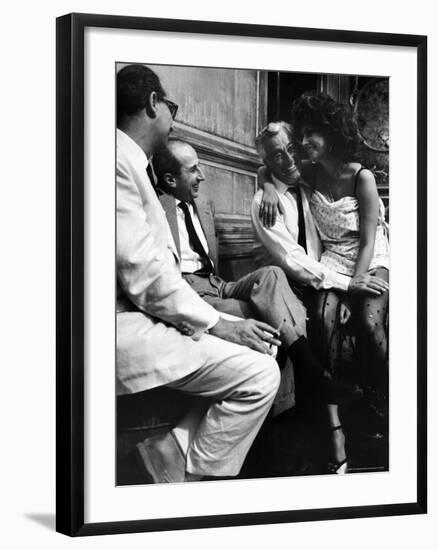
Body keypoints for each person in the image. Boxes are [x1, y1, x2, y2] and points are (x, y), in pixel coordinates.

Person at [153, 138, 362, 474]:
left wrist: (267, 181)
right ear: (169, 180)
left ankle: (307, 371)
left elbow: (279, 163)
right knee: (263, 321)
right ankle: (301, 394)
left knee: (271, 275)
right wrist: (265, 186)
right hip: (189, 292)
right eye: (193, 170)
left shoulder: (201, 204)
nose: (202, 176)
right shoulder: (154, 208)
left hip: (218, 284)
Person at [116, 64, 281, 483]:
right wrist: (218, 324)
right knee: (262, 372)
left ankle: (173, 451)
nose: (173, 119)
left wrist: (221, 323)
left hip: (158, 312)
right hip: (125, 326)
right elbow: (146, 273)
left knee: (269, 310)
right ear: (154, 103)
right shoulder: (117, 162)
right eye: (171, 107)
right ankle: (190, 483)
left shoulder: (128, 162)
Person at [251, 120, 389, 472]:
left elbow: (370, 237)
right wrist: (265, 186)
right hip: (305, 279)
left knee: (367, 322)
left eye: (291, 148)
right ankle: (335, 432)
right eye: (277, 155)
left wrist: (349, 286)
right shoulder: (267, 203)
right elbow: (295, 264)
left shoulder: (309, 177)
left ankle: (386, 408)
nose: (287, 159)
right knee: (324, 324)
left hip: (342, 269)